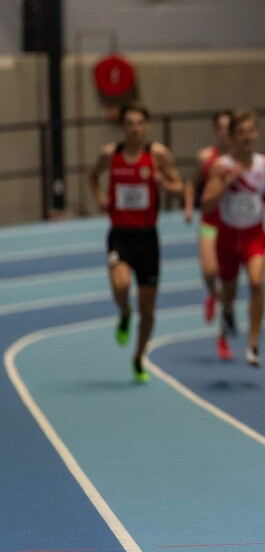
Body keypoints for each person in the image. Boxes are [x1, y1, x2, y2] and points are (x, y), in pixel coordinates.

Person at [87, 102, 184, 383]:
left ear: (147, 126)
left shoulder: (158, 155)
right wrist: (99, 196)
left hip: (148, 237)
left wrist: (162, 182)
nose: (134, 128)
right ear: (123, 127)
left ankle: (139, 357)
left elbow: (179, 187)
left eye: (139, 123)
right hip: (120, 233)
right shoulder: (111, 154)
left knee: (149, 309)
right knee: (121, 284)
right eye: (129, 123)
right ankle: (124, 312)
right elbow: (92, 175)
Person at [201, 108, 265, 366]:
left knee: (257, 282)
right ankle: (228, 312)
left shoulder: (263, 163)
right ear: (232, 136)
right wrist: (227, 182)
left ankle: (253, 345)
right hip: (228, 236)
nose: (247, 137)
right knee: (229, 292)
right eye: (241, 133)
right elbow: (207, 204)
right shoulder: (221, 167)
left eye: (251, 132)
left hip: (255, 234)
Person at [183, 110, 232, 325]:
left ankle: (225, 323)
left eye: (228, 129)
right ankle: (212, 293)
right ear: (215, 131)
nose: (225, 133)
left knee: (229, 278)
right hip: (210, 222)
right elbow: (191, 183)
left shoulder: (241, 160)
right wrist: (188, 207)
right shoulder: (205, 158)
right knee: (210, 270)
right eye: (220, 128)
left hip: (233, 224)